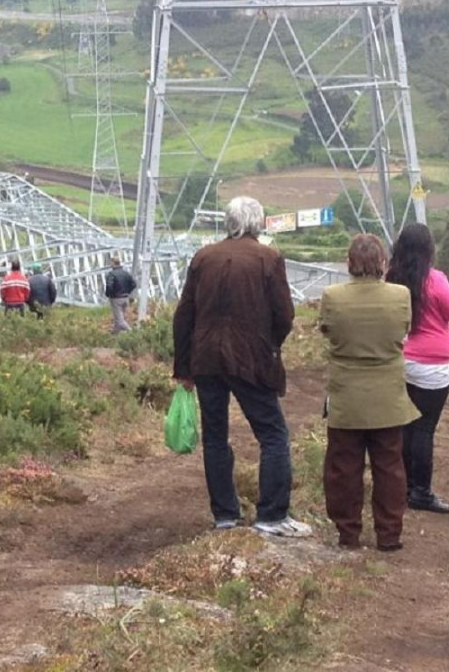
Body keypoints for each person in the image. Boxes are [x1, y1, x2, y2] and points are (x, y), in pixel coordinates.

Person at [173, 196, 311, 538]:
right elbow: (285, 315)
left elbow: (184, 314)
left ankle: (225, 515)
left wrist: (184, 365)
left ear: (228, 222)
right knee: (273, 434)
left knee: (215, 436)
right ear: (258, 223)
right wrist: (271, 345)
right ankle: (272, 516)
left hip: (205, 358)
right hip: (250, 358)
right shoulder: (268, 258)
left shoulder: (203, 256)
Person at [320, 234, 419, 552]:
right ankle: (389, 534)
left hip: (347, 394)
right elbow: (404, 330)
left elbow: (327, 330)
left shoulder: (332, 296)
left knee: (343, 467)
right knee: (390, 465)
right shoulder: (400, 295)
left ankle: (348, 533)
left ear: (349, 263)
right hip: (388, 395)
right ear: (382, 263)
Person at [386, 224, 449, 514]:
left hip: (400, 360)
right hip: (433, 366)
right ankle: (421, 491)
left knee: (405, 427)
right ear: (429, 249)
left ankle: (402, 486)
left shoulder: (392, 279)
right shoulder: (435, 280)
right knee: (425, 430)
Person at [105, 257, 136, 333]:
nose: (110, 264)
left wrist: (109, 294)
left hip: (116, 298)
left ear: (113, 263)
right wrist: (128, 291)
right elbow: (134, 284)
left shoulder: (111, 274)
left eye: (110, 262)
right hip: (125, 298)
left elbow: (109, 286)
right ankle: (114, 334)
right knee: (118, 318)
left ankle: (132, 333)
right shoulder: (126, 273)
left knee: (120, 320)